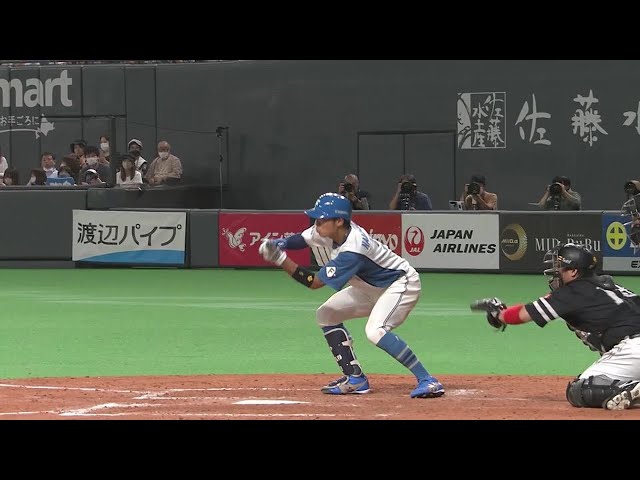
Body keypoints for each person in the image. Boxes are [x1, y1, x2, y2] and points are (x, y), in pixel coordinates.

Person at [258, 192, 444, 399]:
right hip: (368, 288)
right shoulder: (330, 230)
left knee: (375, 331)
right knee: (326, 314)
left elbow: (314, 283)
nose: (316, 223)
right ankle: (356, 379)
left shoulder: (352, 249)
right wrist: (280, 243)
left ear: (339, 221)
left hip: (400, 284)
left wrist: (280, 259)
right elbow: (302, 239)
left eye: (321, 218)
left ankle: (428, 380)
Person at [470, 242, 640, 410]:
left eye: (560, 267)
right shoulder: (610, 286)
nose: (556, 272)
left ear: (573, 271)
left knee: (581, 390)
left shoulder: (571, 292)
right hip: (633, 350)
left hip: (633, 349)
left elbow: (522, 315)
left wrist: (498, 313)